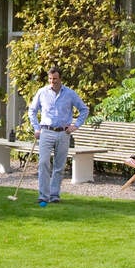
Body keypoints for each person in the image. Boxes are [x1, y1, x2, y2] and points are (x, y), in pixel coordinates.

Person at [26, 66, 89, 207]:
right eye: (50, 79)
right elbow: (32, 110)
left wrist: (75, 126)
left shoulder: (70, 94)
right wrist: (36, 128)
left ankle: (54, 195)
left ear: (60, 78)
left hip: (63, 133)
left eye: (55, 79)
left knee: (59, 166)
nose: (52, 81)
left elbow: (84, 109)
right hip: (46, 132)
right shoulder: (42, 92)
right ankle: (43, 196)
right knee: (43, 163)